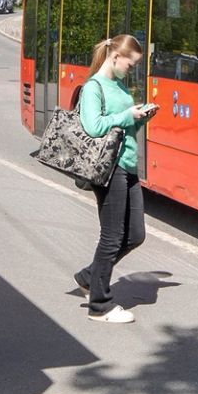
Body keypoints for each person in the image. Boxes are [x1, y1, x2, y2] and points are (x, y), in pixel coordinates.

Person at [73, 34, 155, 323]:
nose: (130, 70)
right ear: (115, 56)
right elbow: (93, 126)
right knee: (112, 237)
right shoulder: (94, 87)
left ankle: (88, 277)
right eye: (130, 65)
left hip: (129, 165)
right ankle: (100, 305)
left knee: (135, 235)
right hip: (109, 168)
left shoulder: (119, 85)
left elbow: (125, 120)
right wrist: (127, 116)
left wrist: (141, 116)